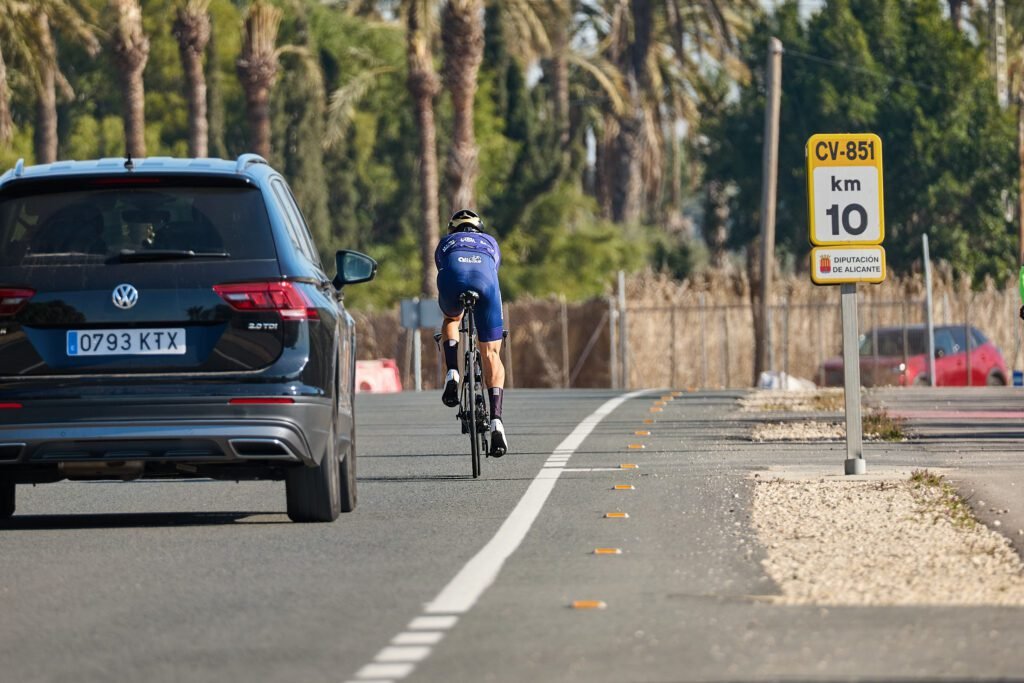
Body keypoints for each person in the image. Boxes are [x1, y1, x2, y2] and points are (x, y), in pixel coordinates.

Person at [435, 209, 508, 457]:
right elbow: (494, 268)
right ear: (479, 229)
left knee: (452, 318)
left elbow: (442, 267)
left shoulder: (446, 242)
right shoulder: (490, 242)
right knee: (491, 352)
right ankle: (497, 420)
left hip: (454, 278)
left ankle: (453, 372)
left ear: (452, 229)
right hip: (485, 281)